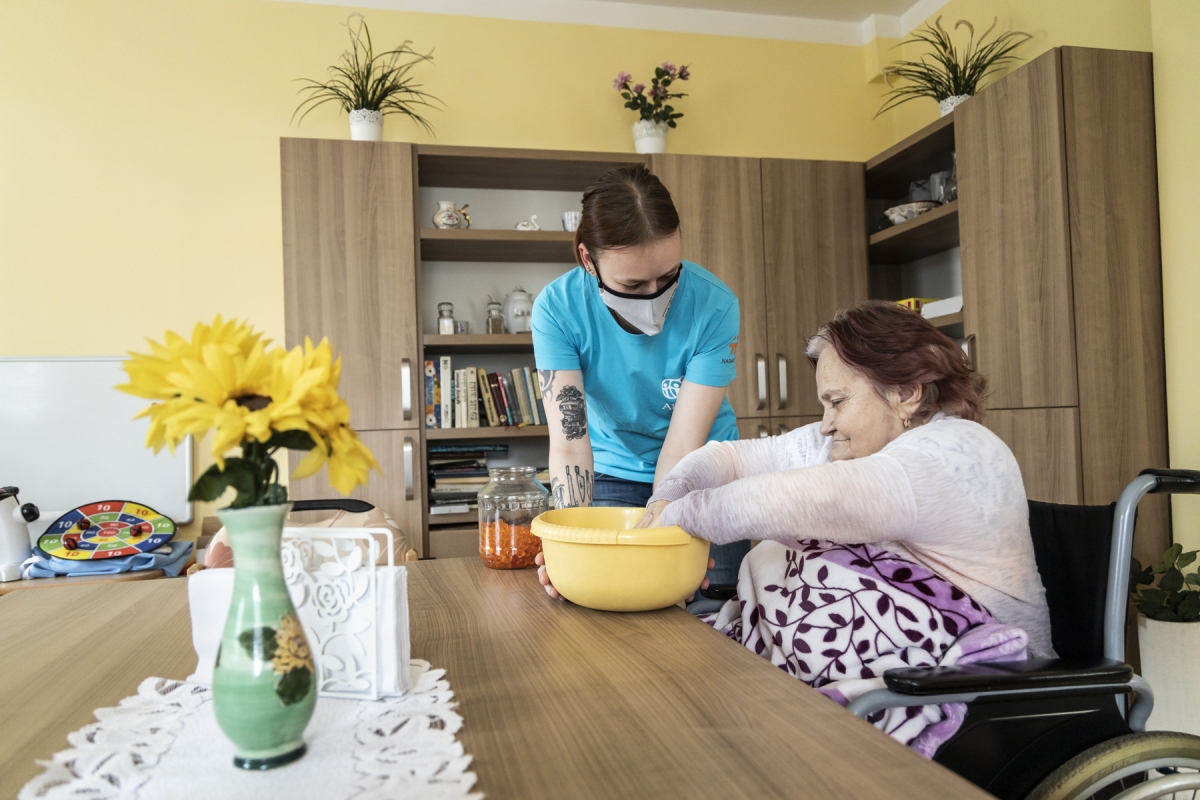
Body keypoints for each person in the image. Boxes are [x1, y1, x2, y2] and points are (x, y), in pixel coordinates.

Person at [637, 300, 1055, 660]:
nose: (825, 425)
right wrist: (666, 499)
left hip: (978, 677)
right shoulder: (856, 443)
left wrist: (679, 519)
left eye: (837, 402)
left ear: (906, 392)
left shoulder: (957, 450)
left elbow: (812, 502)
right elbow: (725, 457)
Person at [531, 164, 749, 587]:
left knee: (714, 608)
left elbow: (683, 446)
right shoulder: (557, 310)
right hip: (613, 471)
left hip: (702, 467)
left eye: (668, 277)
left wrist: (665, 538)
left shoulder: (714, 305)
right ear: (587, 260)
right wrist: (569, 543)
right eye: (632, 286)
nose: (654, 299)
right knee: (603, 596)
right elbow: (571, 446)